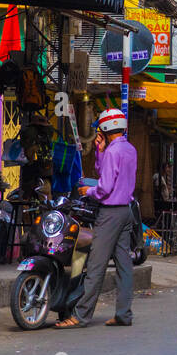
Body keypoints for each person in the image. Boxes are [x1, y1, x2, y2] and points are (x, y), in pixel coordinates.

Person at [58, 108, 137, 328]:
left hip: (110, 213)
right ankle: (124, 314)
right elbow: (108, 173)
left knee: (95, 265)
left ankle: (81, 316)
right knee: (124, 265)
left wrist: (88, 192)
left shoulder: (113, 152)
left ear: (105, 128)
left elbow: (104, 187)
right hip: (126, 211)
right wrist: (100, 151)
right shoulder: (130, 149)